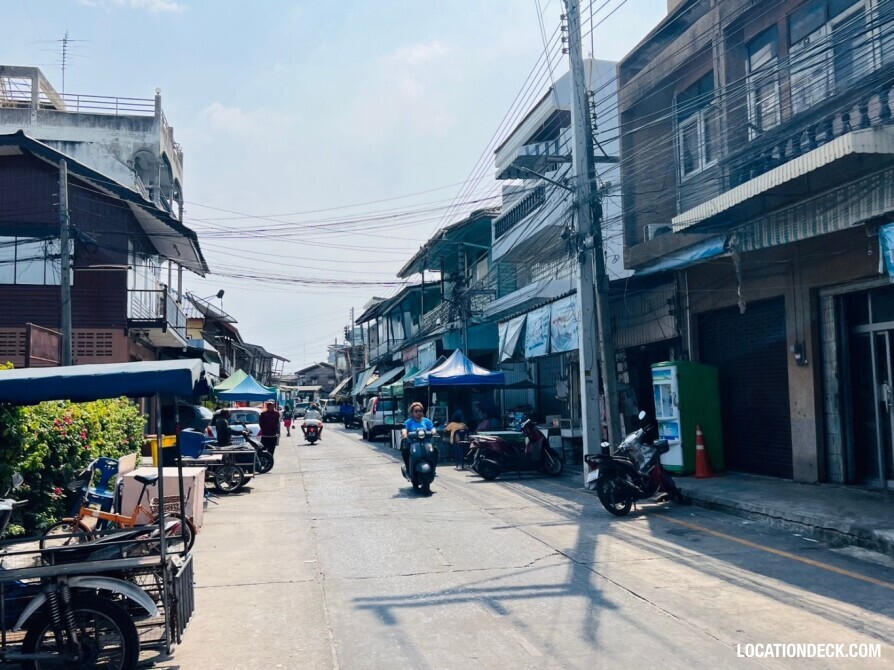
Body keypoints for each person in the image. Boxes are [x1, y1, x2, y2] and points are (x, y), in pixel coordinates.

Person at [401, 401, 434, 471]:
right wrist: (404, 434)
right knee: (405, 452)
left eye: (420, 410)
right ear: (412, 413)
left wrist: (434, 431)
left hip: (426, 443)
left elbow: (432, 428)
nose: (419, 413)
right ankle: (408, 469)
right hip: (412, 443)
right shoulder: (409, 422)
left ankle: (433, 469)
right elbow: (404, 429)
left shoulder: (427, 421)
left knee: (435, 451)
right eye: (416, 411)